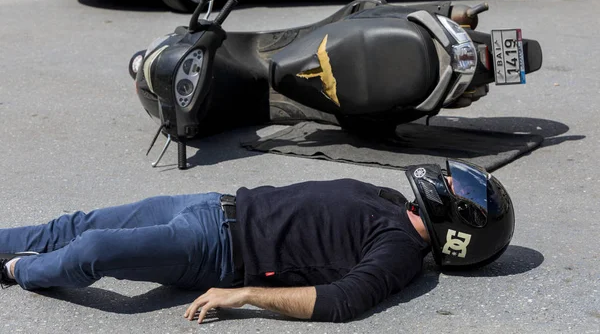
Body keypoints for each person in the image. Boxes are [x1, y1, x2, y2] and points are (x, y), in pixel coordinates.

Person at [0, 159, 514, 323]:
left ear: (458, 221)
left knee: (93, 249)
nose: (448, 180)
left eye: (456, 190)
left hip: (215, 252)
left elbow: (342, 302)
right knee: (71, 225)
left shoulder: (401, 251)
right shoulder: (390, 199)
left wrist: (243, 295)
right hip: (208, 204)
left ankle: (17, 271)